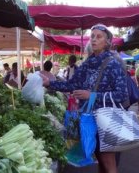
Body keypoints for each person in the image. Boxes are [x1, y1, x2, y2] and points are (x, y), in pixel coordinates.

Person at [41, 24, 128, 173]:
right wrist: (50, 83)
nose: (94, 40)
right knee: (100, 159)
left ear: (107, 42)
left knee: (108, 161)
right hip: (89, 118)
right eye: (92, 36)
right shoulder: (87, 64)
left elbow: (122, 95)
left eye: (99, 37)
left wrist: (92, 95)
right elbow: (72, 84)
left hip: (107, 119)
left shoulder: (113, 64)